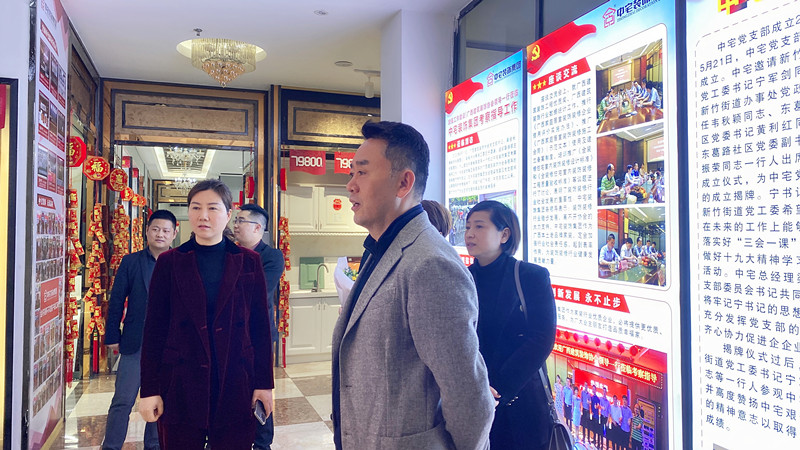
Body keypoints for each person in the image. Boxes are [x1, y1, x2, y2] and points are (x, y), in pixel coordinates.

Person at [331, 121, 494, 449]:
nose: (350, 185)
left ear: (404, 182)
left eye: (362, 172)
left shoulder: (430, 263)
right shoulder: (383, 249)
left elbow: (468, 396)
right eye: (351, 173)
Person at [139, 180, 274, 449]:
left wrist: (264, 384)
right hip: (180, 383)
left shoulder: (248, 261)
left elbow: (260, 327)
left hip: (236, 381)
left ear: (228, 213)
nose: (203, 216)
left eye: (213, 208)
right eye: (196, 207)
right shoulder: (169, 262)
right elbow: (154, 329)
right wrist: (150, 389)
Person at [464, 200, 556, 449]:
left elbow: (542, 338)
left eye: (479, 226)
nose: (469, 234)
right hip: (472, 400)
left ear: (504, 235)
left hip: (520, 401)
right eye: (468, 227)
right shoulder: (461, 277)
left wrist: (498, 388)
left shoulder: (531, 276)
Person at [102, 210, 178, 450]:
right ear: (147, 231)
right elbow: (116, 300)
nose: (160, 234)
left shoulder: (180, 262)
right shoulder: (131, 262)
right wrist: (112, 334)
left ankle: (154, 446)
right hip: (136, 343)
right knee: (122, 400)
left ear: (174, 234)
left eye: (166, 230)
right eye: (155, 229)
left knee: (159, 400)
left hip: (168, 344)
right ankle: (111, 446)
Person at [233, 203, 285, 450]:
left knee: (260, 388)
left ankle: (262, 443)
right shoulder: (229, 254)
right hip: (230, 334)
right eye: (235, 220)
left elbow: (258, 291)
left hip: (258, 335)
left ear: (257, 228)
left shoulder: (272, 256)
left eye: (240, 221)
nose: (235, 225)